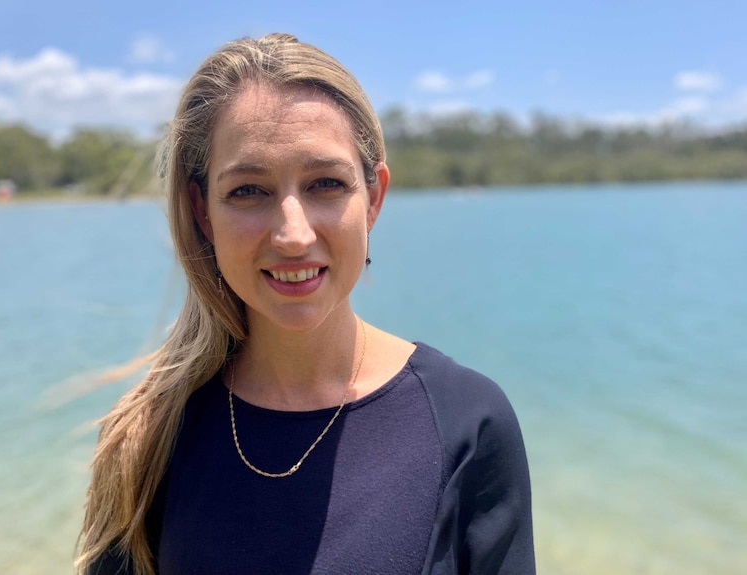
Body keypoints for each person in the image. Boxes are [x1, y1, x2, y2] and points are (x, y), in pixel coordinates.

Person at [77, 33, 534, 575]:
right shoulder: (146, 436)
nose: (293, 234)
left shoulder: (468, 422)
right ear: (203, 213)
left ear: (374, 199)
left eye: (325, 184)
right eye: (249, 190)